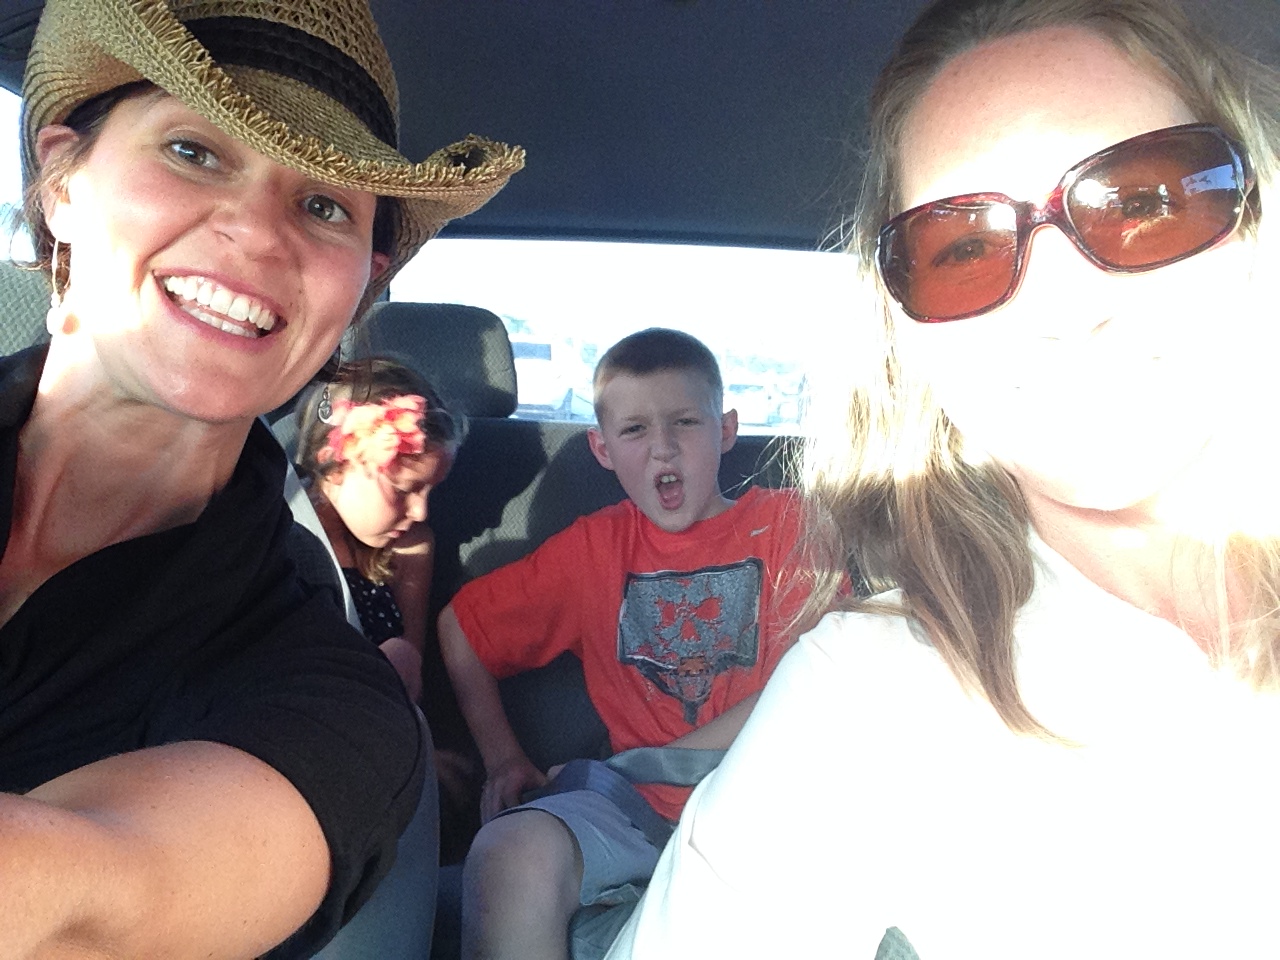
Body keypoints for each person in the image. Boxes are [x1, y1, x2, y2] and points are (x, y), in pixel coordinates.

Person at [607, 1, 1280, 958]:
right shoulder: (863, 696)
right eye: (962, 251)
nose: (1062, 306)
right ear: (908, 340)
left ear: (1254, 215)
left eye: (1141, 202)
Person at [1, 0, 522, 956]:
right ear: (62, 179)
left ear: (361, 286)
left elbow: (86, 894)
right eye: (193, 151)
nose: (258, 233)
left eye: (323, 205)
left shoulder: (329, 695)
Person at [437, 327, 814, 960]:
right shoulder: (594, 549)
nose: (663, 447)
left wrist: (661, 760)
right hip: (631, 811)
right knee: (507, 854)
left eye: (685, 423)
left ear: (726, 430)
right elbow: (461, 628)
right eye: (635, 430)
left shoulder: (788, 526)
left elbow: (811, 678)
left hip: (771, 807)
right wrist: (503, 758)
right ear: (602, 448)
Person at [295, 356, 462, 703]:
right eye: (403, 490)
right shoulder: (282, 540)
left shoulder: (410, 548)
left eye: (430, 491)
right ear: (336, 468)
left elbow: (410, 686)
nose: (421, 512)